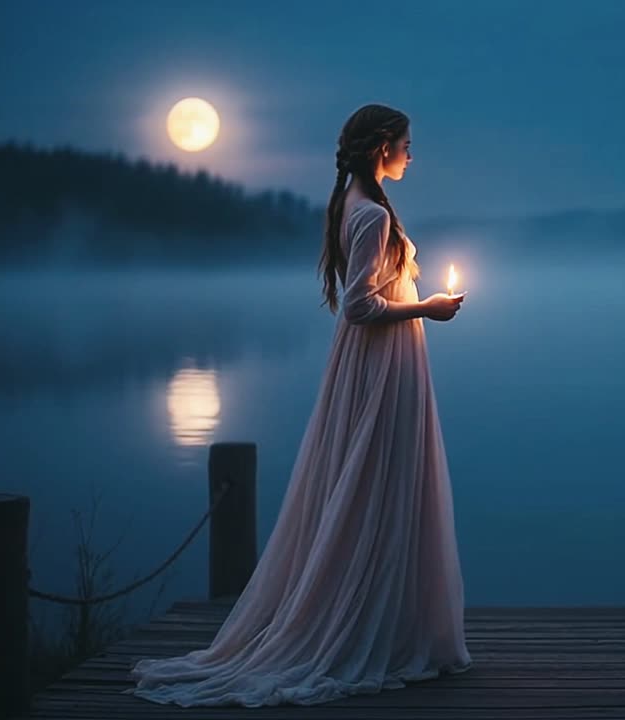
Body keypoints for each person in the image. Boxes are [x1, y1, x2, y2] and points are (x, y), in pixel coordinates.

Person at [127, 104, 472, 707]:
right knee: (376, 485)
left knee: (376, 487)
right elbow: (359, 307)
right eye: (406, 144)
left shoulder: (357, 205)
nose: (413, 155)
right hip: (380, 366)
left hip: (378, 364)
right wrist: (428, 308)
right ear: (381, 148)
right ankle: (366, 629)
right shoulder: (369, 216)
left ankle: (389, 625)